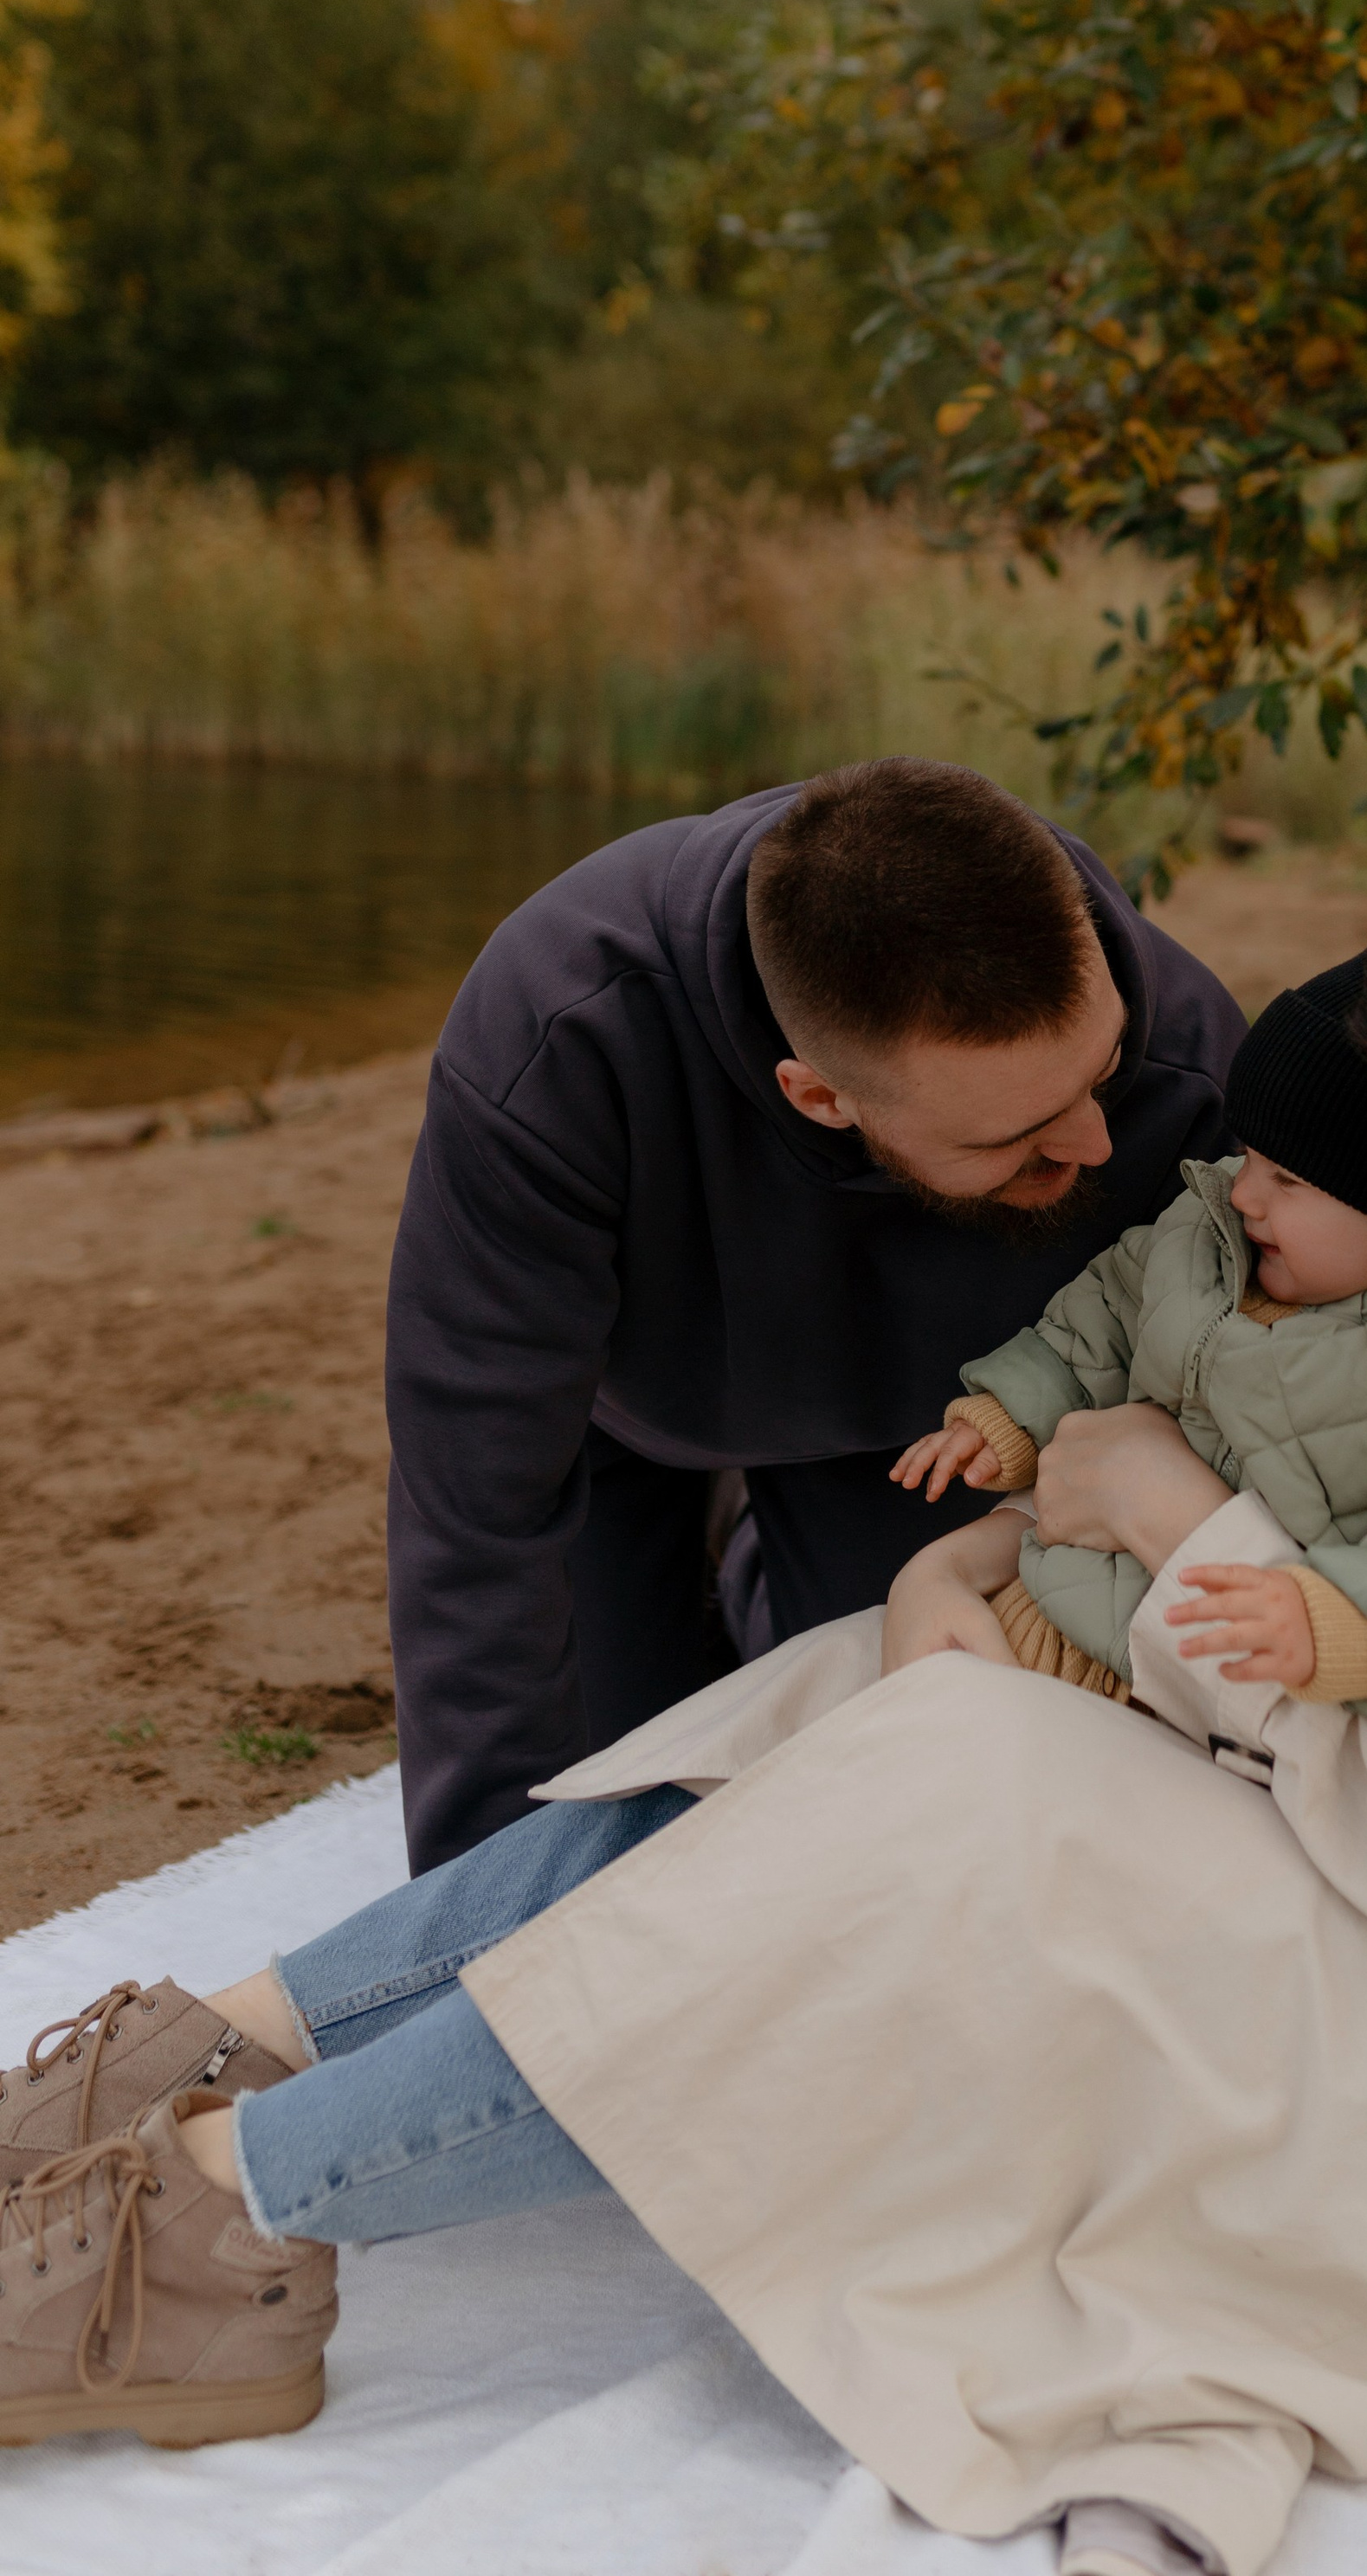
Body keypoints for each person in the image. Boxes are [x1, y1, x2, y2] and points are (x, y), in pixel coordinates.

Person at [0, 792, 1367, 2576]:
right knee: (850, 1693)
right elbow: (1252, 1434)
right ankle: (197, 2051)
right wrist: (982, 1560)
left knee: (960, 1799)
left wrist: (1167, 1554)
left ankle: (207, 2223)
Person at [383, 754, 1244, 1868]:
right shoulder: (557, 1033)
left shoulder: (1185, 1054)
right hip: (627, 1413)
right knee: (602, 1806)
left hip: (938, 1436)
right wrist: (462, 1925)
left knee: (868, 1759)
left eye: (1100, 1069)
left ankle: (760, 1564)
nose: (1090, 1142)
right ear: (821, 1096)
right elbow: (473, 1511)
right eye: (1015, 1134)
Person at [887, 958, 1367, 1723]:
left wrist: (1342, 1625)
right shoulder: (1208, 1236)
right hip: (1046, 1606)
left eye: (1290, 1180)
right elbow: (1106, 1310)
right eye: (1251, 1158)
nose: (1243, 1191)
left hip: (1190, 1695)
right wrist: (1010, 1415)